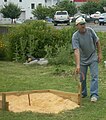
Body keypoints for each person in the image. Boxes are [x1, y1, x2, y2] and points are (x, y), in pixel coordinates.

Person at [72, 17, 102, 102]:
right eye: (81, 24)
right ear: (77, 25)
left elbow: (97, 41)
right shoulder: (75, 36)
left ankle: (94, 94)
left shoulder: (90, 31)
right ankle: (83, 93)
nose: (83, 25)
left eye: (84, 23)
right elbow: (76, 51)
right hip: (82, 59)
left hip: (92, 56)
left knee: (94, 76)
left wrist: (99, 54)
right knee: (82, 78)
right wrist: (78, 65)